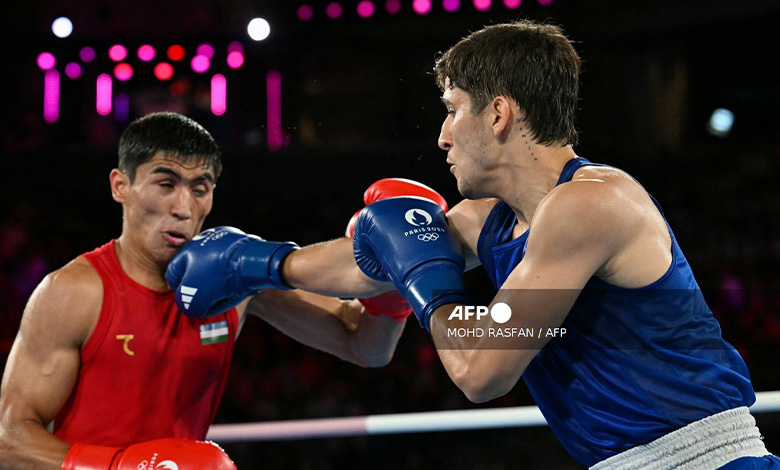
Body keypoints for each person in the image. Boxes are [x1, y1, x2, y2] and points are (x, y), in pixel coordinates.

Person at [170, 21, 778, 470]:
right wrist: (257, 261)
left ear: (498, 114)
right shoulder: (489, 218)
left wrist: (432, 286)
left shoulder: (591, 205)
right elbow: (368, 265)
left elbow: (481, 370)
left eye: (453, 109)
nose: (441, 135)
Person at [0, 112, 407, 470]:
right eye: (165, 183)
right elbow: (10, 440)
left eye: (199, 188)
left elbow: (365, 347)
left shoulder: (237, 282)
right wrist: (124, 468)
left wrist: (392, 290)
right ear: (120, 186)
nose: (183, 207)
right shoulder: (74, 291)